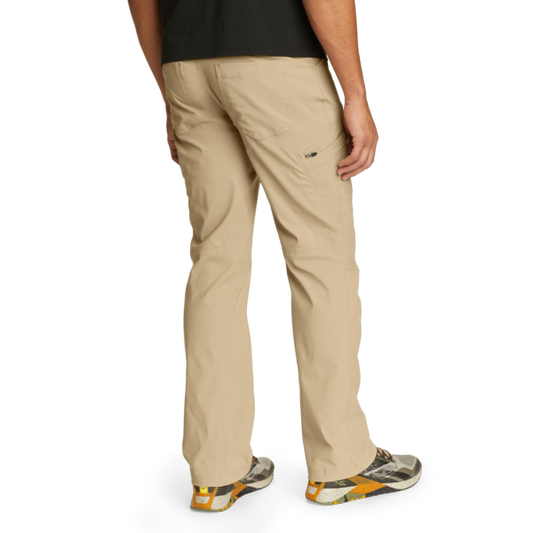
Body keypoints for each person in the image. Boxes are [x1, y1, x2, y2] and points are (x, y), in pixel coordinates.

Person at [125, 0, 422, 512]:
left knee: (214, 261)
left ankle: (216, 471)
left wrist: (168, 91)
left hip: (187, 67)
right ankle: (342, 463)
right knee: (319, 258)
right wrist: (356, 94)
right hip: (278, 67)